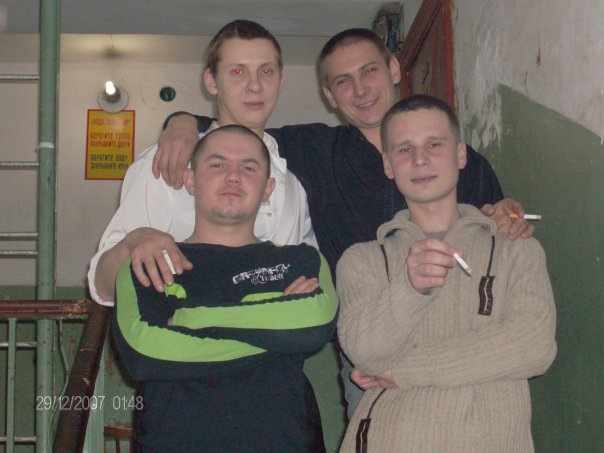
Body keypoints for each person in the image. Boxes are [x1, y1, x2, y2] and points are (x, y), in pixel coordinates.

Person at [156, 28, 534, 418]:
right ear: (330, 96)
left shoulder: (461, 161)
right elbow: (237, 135)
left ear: (393, 69)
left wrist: (504, 219)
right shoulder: (314, 150)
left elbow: (497, 235)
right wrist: (182, 121)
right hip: (370, 356)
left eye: (369, 71)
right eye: (343, 81)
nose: (360, 89)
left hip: (465, 346)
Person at [336, 95, 556, 452]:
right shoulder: (362, 260)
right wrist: (409, 289)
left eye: (434, 144)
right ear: (388, 165)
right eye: (404, 149)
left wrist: (403, 372)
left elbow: (534, 346)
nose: (420, 159)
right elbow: (366, 355)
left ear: (460, 154)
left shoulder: (516, 248)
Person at [113, 125, 339, 452]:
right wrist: (279, 331)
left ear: (268, 188)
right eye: (218, 164)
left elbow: (315, 324)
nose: (233, 176)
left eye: (248, 168)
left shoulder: (301, 260)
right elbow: (143, 355)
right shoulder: (151, 260)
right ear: (191, 180)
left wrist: (188, 319)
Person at [87, 19, 315, 307]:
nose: (255, 85)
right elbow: (103, 287)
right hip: (177, 334)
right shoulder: (168, 162)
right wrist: (133, 242)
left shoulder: (290, 183)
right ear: (211, 81)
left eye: (266, 71)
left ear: (281, 81)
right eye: (237, 71)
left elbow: (308, 275)